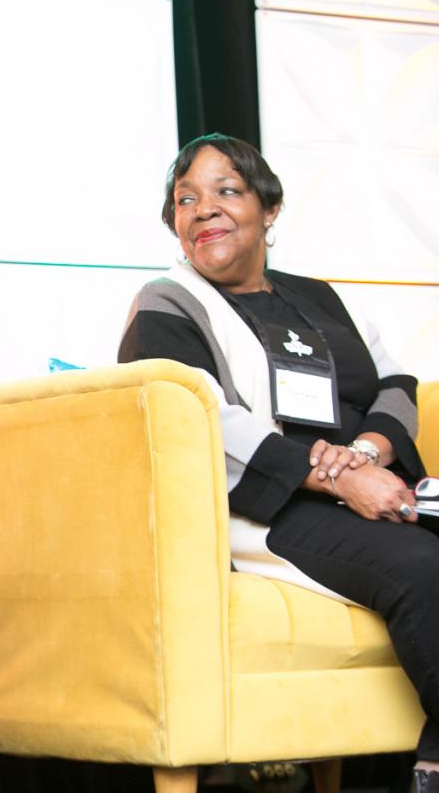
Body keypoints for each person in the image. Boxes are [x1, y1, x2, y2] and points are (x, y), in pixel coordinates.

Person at [119, 133, 437, 790]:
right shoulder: (167, 303)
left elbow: (396, 385)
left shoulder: (319, 297)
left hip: (375, 481)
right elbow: (201, 414)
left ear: (269, 209)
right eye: (186, 199)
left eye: (226, 191)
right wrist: (338, 480)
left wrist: (366, 453)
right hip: (271, 506)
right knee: (421, 565)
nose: (204, 209)